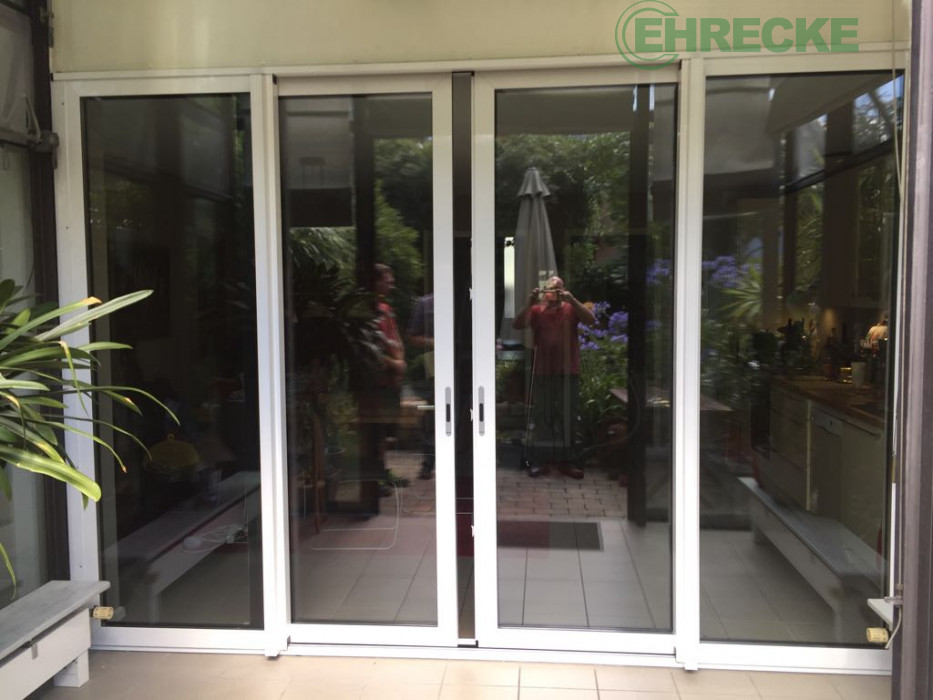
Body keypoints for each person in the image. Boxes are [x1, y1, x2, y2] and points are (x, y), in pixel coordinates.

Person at [513, 276, 595, 479]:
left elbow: (591, 321)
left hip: (568, 372)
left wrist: (572, 299)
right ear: (544, 291)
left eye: (558, 288)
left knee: (567, 416)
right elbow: (517, 324)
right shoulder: (536, 311)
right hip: (543, 371)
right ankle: (542, 461)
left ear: (563, 290)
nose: (553, 291)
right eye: (550, 288)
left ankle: (567, 462)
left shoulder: (570, 309)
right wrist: (529, 303)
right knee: (543, 416)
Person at [407, 292, 435, 480]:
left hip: (463, 365)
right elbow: (412, 336)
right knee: (431, 415)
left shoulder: (467, 300)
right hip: (433, 364)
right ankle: (428, 464)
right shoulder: (425, 303)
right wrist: (433, 342)